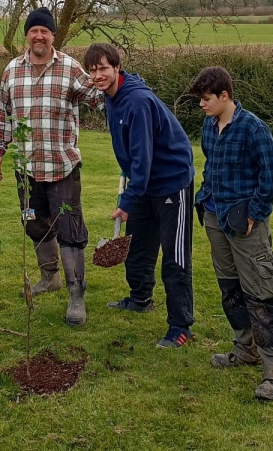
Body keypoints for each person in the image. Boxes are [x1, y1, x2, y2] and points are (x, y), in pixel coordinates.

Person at [0, 8, 103, 326]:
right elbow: (3, 114)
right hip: (26, 169)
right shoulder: (12, 70)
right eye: (33, 30)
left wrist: (123, 90)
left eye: (45, 31)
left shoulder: (70, 68)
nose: (39, 35)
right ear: (27, 34)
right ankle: (49, 275)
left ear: (53, 35)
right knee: (33, 223)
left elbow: (99, 96)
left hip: (62, 166)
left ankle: (76, 294)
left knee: (70, 230)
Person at [187, 65, 273, 401]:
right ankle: (245, 349)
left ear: (225, 96)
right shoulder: (209, 125)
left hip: (246, 225)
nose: (202, 105)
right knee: (230, 290)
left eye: (206, 99)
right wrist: (204, 205)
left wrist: (255, 212)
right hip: (216, 219)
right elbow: (211, 168)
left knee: (259, 293)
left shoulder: (253, 128)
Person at [84, 42, 196, 349]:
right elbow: (133, 154)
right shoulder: (112, 97)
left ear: (117, 67)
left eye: (103, 68)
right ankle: (140, 298)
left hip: (172, 182)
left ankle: (180, 325)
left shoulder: (136, 102)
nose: (98, 75)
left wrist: (127, 201)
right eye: (93, 70)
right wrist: (132, 191)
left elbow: (143, 159)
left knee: (174, 256)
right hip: (144, 182)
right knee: (138, 247)